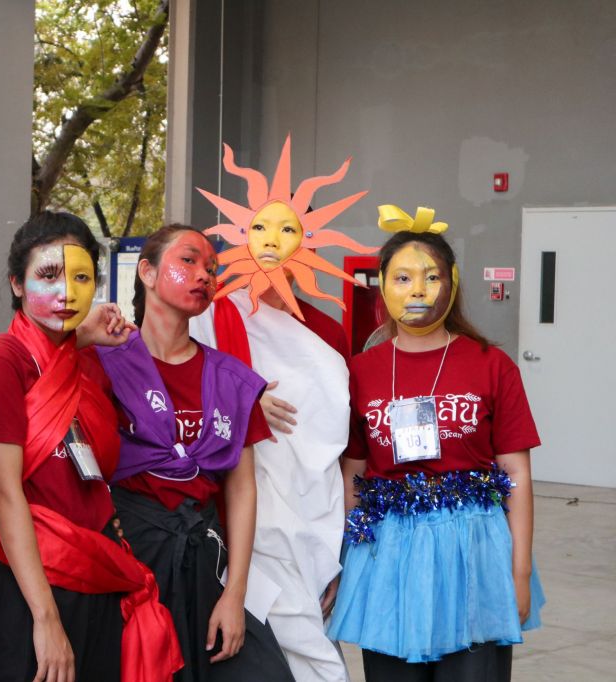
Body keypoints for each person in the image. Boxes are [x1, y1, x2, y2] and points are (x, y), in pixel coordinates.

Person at [0, 211, 181, 682]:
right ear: (17, 284)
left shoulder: (89, 363)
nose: (66, 291)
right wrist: (45, 619)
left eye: (81, 277)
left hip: (99, 577)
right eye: (48, 275)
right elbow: (4, 495)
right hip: (30, 589)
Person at [328, 205, 546, 681]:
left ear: (453, 284)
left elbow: (516, 472)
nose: (418, 290)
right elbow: (353, 474)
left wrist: (519, 572)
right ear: (382, 285)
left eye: (431, 277)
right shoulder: (360, 371)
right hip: (387, 555)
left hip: (475, 552)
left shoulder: (491, 364)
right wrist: (341, 561)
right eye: (403, 278)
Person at [191, 137, 375, 682]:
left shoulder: (329, 333)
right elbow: (180, 401)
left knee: (313, 646)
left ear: (310, 241)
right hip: (238, 511)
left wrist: (342, 545)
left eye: (289, 231)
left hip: (313, 516)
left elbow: (343, 445)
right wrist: (242, 398)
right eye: (261, 230)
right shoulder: (212, 319)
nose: (273, 243)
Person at [96, 225, 295, 682]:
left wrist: (235, 594)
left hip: (205, 557)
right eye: (188, 261)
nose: (204, 274)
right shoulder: (105, 363)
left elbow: (241, 489)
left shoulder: (230, 378)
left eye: (212, 268)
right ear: (147, 272)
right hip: (130, 558)